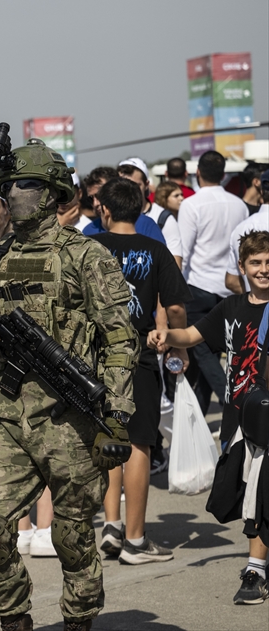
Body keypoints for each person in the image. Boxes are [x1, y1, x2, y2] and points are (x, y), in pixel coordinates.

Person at [0, 138, 137, 631]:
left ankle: (79, 620)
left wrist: (115, 415)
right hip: (9, 416)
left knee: (72, 537)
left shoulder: (86, 255)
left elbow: (120, 339)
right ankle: (13, 619)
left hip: (72, 419)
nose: (15, 194)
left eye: (26, 184)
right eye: (9, 186)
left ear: (52, 193)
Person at [149, 230, 269, 605]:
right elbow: (192, 335)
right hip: (239, 417)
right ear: (242, 267)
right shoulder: (230, 308)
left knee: (259, 493)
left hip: (267, 419)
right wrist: (166, 335)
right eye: (256, 263)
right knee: (245, 490)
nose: (264, 269)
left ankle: (254, 570)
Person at [90, 178, 190, 565]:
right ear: (143, 208)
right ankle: (135, 539)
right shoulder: (156, 248)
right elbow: (177, 307)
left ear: (105, 210)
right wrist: (179, 343)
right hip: (140, 352)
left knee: (106, 437)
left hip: (95, 355)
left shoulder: (88, 247)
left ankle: (111, 524)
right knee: (138, 443)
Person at [178, 150, 250, 412]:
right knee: (220, 351)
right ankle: (201, 410)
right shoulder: (239, 205)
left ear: (198, 173)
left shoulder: (191, 204)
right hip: (230, 287)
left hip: (198, 286)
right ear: (223, 175)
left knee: (202, 351)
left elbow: (183, 252)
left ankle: (231, 401)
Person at [118, 158, 183, 268]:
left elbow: (175, 267)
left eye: (136, 185)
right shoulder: (109, 218)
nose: (130, 190)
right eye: (123, 186)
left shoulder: (163, 218)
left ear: (146, 184)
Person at [226, 168, 269, 295]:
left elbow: (231, 281)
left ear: (261, 191)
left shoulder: (241, 227)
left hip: (254, 309)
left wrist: (254, 296)